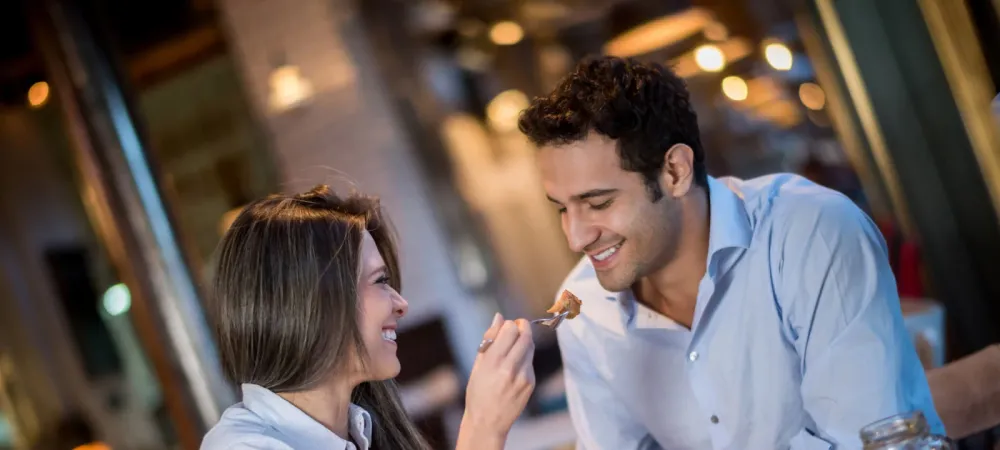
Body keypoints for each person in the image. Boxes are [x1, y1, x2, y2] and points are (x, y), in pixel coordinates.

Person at [517, 55, 942, 449]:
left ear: (675, 171)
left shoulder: (810, 231)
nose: (575, 238)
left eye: (598, 203)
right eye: (562, 209)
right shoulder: (584, 310)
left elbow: (870, 439)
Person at [201, 185, 535, 450]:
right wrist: (482, 427)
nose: (401, 304)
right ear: (313, 301)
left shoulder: (359, 428)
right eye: (380, 281)